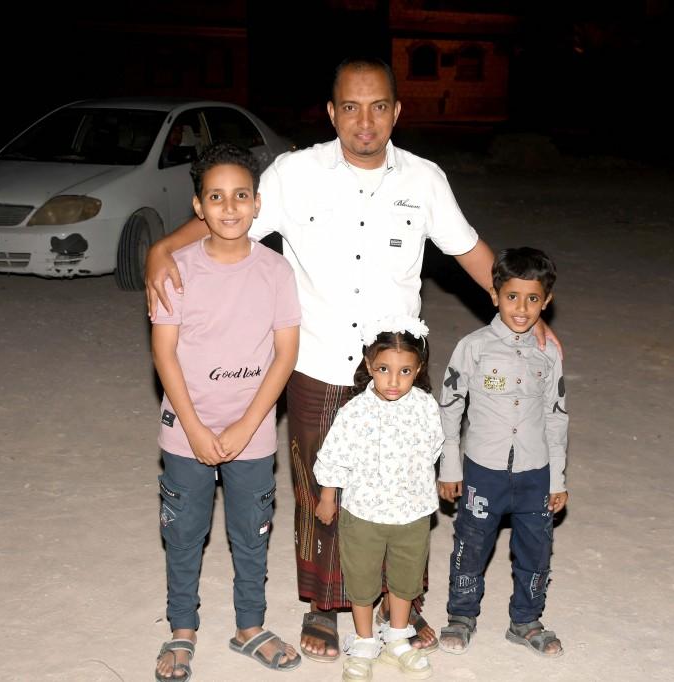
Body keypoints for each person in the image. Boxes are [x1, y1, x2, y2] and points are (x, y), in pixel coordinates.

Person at [145, 57, 560, 661]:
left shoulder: (424, 179)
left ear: (396, 111)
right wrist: (162, 248)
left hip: (397, 366)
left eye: (378, 107)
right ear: (331, 112)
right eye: (350, 107)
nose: (364, 121)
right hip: (315, 358)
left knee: (402, 486)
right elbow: (227, 217)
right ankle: (323, 605)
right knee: (320, 488)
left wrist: (527, 314)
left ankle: (400, 602)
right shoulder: (294, 173)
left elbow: (471, 251)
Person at [151, 142, 302, 680]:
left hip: (251, 431)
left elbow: (285, 354)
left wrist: (247, 424)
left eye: (241, 195)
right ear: (198, 206)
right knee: (184, 533)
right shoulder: (176, 270)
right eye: (216, 197)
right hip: (186, 430)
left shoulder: (277, 271)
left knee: (251, 532)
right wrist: (193, 427)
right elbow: (164, 352)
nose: (230, 207)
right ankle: (181, 630)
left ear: (258, 203)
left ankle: (249, 627)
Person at [436, 247, 569, 658]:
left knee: (536, 549)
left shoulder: (549, 353)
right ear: (494, 295)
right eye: (512, 296)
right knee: (471, 544)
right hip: (484, 468)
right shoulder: (473, 347)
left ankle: (526, 620)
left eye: (533, 299)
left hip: (535, 469)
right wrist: (449, 465)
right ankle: (461, 615)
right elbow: (450, 405)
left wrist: (557, 477)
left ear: (546, 301)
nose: (522, 308)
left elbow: (556, 415)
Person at [313, 316, 443, 681]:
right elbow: (334, 455)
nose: (393, 381)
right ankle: (365, 640)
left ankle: (398, 637)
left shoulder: (425, 407)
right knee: (362, 579)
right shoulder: (355, 411)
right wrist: (328, 496)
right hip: (363, 513)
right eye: (384, 369)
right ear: (369, 365)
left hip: (412, 512)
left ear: (418, 369)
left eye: (405, 371)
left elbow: (433, 448)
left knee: (405, 577)